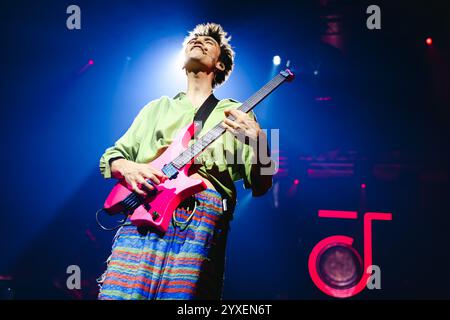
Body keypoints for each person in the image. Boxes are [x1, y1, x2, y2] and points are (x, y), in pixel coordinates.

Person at [97, 22, 274, 300]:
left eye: (209, 43)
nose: (200, 42)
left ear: (219, 65)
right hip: (146, 209)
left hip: (200, 217)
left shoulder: (236, 113)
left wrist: (262, 143)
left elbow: (262, 186)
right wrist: (129, 168)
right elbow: (113, 157)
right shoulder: (157, 107)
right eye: (195, 39)